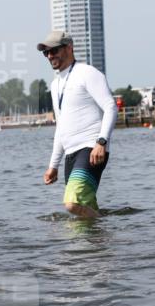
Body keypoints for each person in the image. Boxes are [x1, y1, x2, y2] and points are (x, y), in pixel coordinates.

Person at [38, 30, 116, 218]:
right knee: (83, 215)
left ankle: (105, 234)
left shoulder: (87, 73)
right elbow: (61, 128)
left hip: (91, 149)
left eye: (54, 50)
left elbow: (111, 107)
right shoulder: (55, 85)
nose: (50, 56)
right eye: (46, 53)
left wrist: (101, 143)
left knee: (72, 204)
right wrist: (53, 165)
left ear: (69, 48)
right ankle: (98, 239)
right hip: (70, 155)